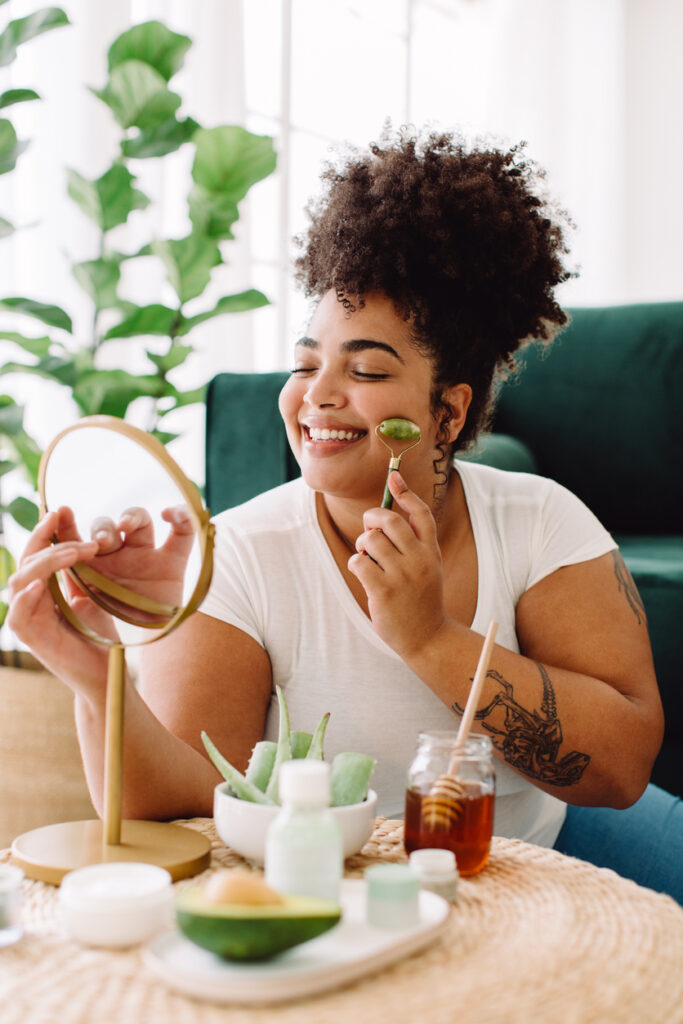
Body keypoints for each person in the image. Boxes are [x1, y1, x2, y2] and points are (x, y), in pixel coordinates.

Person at [8, 127, 681, 902]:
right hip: (342, 885)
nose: (317, 393)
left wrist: (428, 638)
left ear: (448, 411)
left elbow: (622, 765)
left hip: (538, 848)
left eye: (364, 369)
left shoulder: (539, 522)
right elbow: (179, 804)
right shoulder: (244, 553)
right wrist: (99, 679)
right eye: (304, 364)